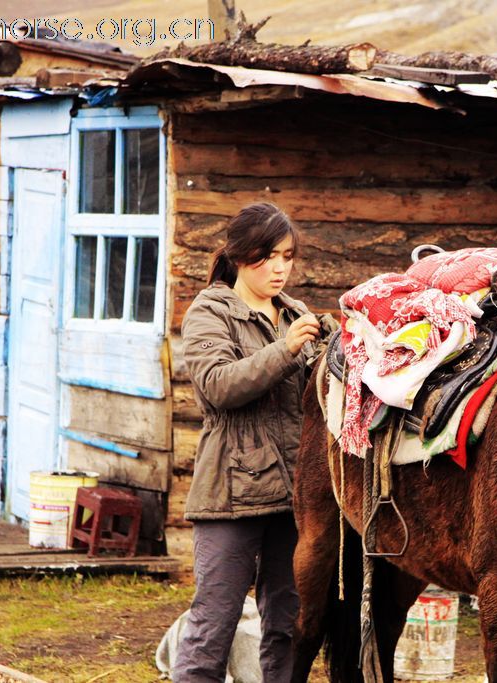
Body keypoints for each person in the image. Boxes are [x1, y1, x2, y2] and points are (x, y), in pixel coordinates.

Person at [173, 202, 322, 682]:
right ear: (239, 256)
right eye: (267, 257)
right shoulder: (210, 311)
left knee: (287, 625)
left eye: (287, 256)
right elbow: (217, 385)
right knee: (213, 623)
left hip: (293, 494)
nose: (279, 268)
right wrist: (287, 349)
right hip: (230, 495)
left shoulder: (295, 314)